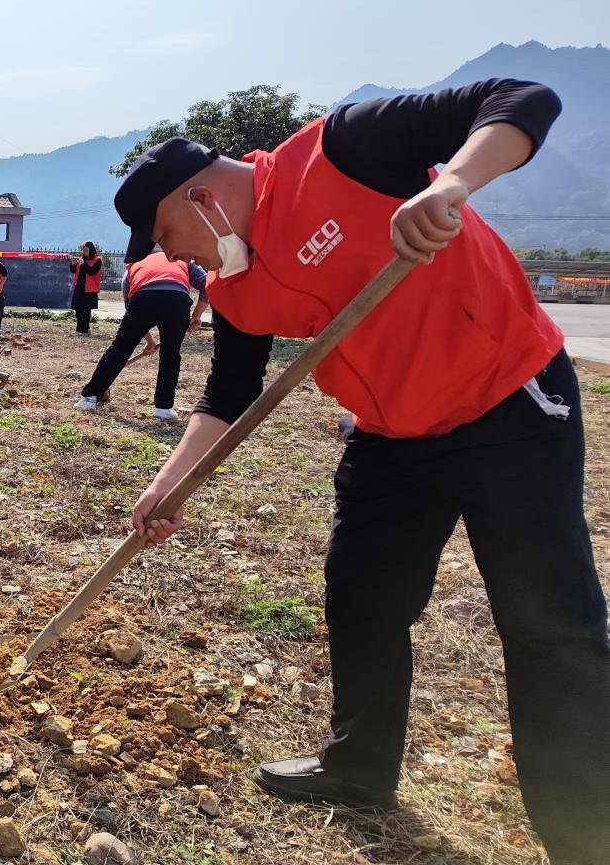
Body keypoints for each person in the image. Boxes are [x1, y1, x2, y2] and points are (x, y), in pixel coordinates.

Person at [117, 79, 607, 865]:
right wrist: (170, 483)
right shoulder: (237, 288)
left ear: (202, 196)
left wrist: (452, 184)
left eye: (168, 236)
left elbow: (525, 98)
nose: (173, 257)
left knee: (549, 626)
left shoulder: (341, 150)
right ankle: (359, 768)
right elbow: (229, 393)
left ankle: (585, 835)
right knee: (362, 600)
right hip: (389, 436)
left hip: (508, 404)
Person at [74, 248, 208, 420]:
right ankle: (164, 408)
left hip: (143, 300)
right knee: (170, 355)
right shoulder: (183, 259)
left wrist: (149, 340)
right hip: (176, 301)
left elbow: (130, 306)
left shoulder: (133, 266)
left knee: (119, 349)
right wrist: (195, 316)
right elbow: (207, 284)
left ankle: (89, 397)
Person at [69, 241, 103, 334]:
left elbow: (92, 271)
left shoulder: (97, 260)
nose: (84, 252)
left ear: (91, 250)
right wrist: (72, 264)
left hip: (89, 289)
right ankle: (80, 329)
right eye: (83, 250)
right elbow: (73, 270)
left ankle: (84, 330)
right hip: (79, 287)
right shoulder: (81, 260)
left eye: (86, 250)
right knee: (78, 309)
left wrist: (83, 264)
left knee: (85, 310)